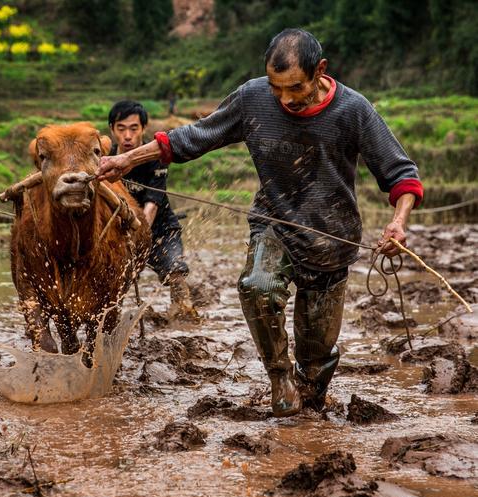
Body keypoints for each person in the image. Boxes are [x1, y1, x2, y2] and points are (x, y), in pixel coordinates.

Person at [98, 30, 423, 417]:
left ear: (320, 71)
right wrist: (128, 161)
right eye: (276, 88)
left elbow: (400, 173)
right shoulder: (253, 98)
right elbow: (197, 135)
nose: (285, 99)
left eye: (295, 88)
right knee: (257, 286)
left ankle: (310, 392)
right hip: (275, 225)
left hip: (331, 239)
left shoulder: (353, 110)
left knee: (316, 356)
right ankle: (279, 376)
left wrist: (398, 223)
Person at [107, 100, 197, 319]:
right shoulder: (105, 159)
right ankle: (109, 321)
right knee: (109, 281)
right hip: (118, 232)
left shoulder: (155, 159)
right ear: (112, 130)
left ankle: (183, 315)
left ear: (143, 129)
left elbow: (152, 205)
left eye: (133, 129)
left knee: (174, 271)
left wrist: (138, 238)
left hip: (159, 230)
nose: (127, 136)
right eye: (121, 129)